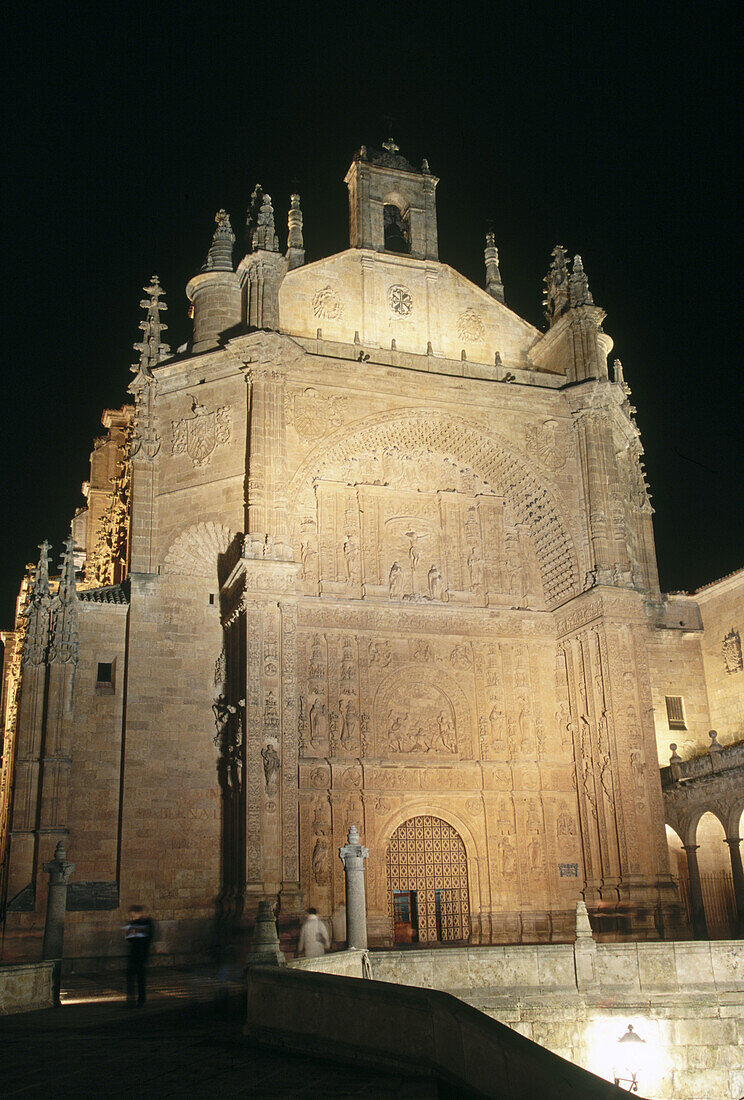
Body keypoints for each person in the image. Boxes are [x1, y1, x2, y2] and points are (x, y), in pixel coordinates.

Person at [124, 904, 154, 1006]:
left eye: (133, 915)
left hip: (141, 954)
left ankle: (141, 1000)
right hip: (133, 953)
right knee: (130, 977)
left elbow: (148, 937)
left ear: (139, 914)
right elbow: (128, 938)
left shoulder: (148, 922)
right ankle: (130, 1000)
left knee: (140, 978)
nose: (132, 918)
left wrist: (136, 932)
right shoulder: (134, 923)